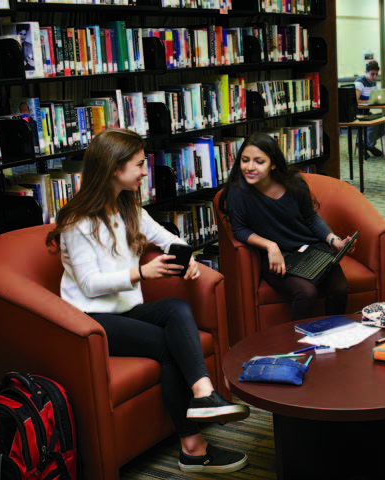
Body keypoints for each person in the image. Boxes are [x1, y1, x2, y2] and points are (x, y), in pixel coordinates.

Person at [45, 129, 250, 475]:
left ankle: (203, 397)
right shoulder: (76, 223)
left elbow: (165, 237)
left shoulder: (127, 207)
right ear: (114, 168)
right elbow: (90, 285)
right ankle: (193, 445)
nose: (145, 172)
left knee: (178, 309)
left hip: (128, 310)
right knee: (172, 345)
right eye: (139, 165)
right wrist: (140, 273)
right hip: (92, 319)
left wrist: (187, 257)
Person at [218, 133, 355, 321]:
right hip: (278, 258)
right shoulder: (238, 192)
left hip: (311, 250)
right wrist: (270, 246)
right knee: (306, 293)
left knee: (340, 288)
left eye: (259, 161)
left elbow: (310, 218)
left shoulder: (294, 183)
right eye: (245, 160)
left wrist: (334, 240)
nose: (249, 167)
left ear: (273, 164)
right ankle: (296, 347)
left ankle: (333, 338)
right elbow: (239, 230)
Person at [354, 60, 384, 157]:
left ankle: (365, 144)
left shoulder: (373, 83)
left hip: (366, 112)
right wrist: (369, 102)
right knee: (373, 123)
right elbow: (356, 101)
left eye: (376, 74)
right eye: (372, 74)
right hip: (357, 113)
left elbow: (375, 98)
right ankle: (370, 145)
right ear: (366, 72)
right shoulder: (360, 83)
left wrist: (381, 100)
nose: (374, 77)